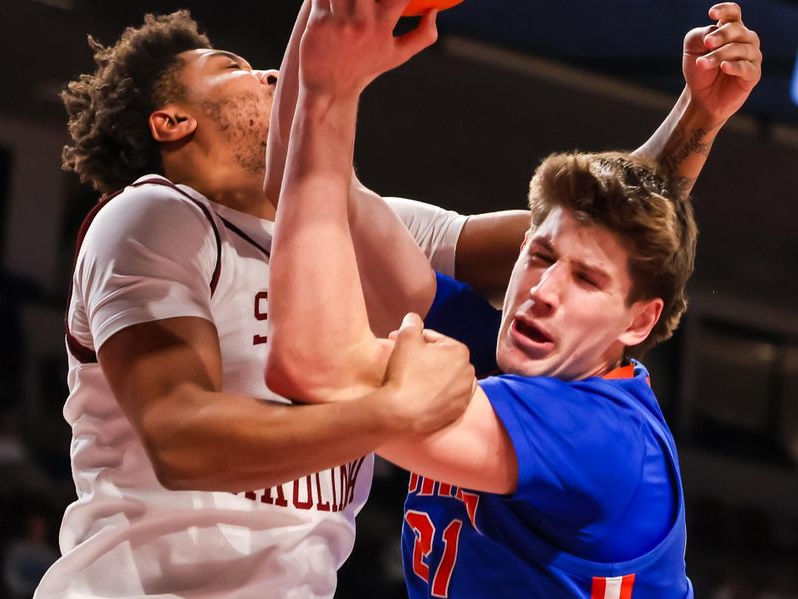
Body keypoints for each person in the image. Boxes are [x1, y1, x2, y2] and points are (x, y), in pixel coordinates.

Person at [36, 2, 758, 597]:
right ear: (173, 121)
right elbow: (181, 439)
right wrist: (385, 413)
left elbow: (601, 236)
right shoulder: (152, 218)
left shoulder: (371, 226)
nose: (262, 74)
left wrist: (696, 118)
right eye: (231, 70)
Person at [267, 1, 761, 597]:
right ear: (522, 247)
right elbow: (299, 180)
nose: (544, 293)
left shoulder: (602, 439)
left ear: (639, 323)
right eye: (543, 259)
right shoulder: (492, 348)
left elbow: (316, 370)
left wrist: (331, 90)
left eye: (587, 280)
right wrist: (326, 19)